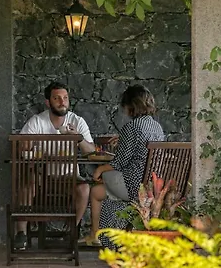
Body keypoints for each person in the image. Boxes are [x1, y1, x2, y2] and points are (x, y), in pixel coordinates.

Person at [15, 81, 96, 249]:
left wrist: (78, 138)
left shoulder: (77, 121)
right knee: (27, 183)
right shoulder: (37, 121)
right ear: (48, 102)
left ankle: (70, 232)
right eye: (57, 98)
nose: (62, 102)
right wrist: (27, 144)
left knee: (84, 188)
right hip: (40, 176)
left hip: (68, 176)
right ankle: (21, 233)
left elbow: (91, 151)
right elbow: (21, 146)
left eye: (65, 98)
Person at [87, 84, 165, 248]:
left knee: (98, 185)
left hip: (134, 186)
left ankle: (98, 236)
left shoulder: (132, 127)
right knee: (99, 189)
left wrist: (99, 170)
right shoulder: (157, 127)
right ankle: (101, 236)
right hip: (151, 186)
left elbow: (120, 162)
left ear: (131, 106)